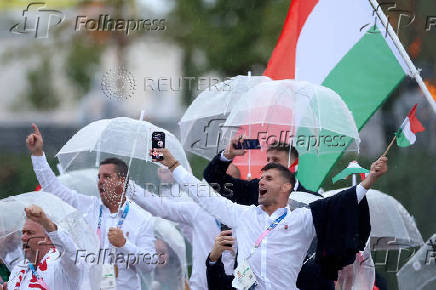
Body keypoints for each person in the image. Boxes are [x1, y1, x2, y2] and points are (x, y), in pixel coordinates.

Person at [153, 148, 386, 289]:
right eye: (261, 177)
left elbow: (340, 202)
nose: (261, 181)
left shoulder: (302, 218)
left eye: (269, 178)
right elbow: (203, 195)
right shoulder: (242, 215)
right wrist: (173, 165)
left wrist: (370, 179)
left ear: (287, 186)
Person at [26, 123, 156, 290]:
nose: (100, 181)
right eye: (99, 176)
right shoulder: (88, 206)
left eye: (107, 176)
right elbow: (53, 188)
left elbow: (150, 264)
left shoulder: (142, 218)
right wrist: (38, 154)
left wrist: (124, 244)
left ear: (122, 181)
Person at [129, 179, 235, 290]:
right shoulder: (199, 212)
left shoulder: (242, 216)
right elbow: (162, 207)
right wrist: (130, 188)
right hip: (202, 286)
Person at [203, 137, 321, 207]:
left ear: (294, 165)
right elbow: (213, 177)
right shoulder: (254, 190)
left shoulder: (313, 200)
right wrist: (228, 154)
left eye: (276, 160)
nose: (270, 164)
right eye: (268, 160)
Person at [1, 205, 81, 290]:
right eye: (23, 232)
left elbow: (71, 254)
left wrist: (47, 223)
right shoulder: (19, 269)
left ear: (49, 238)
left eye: (30, 233)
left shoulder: (62, 265)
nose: (23, 238)